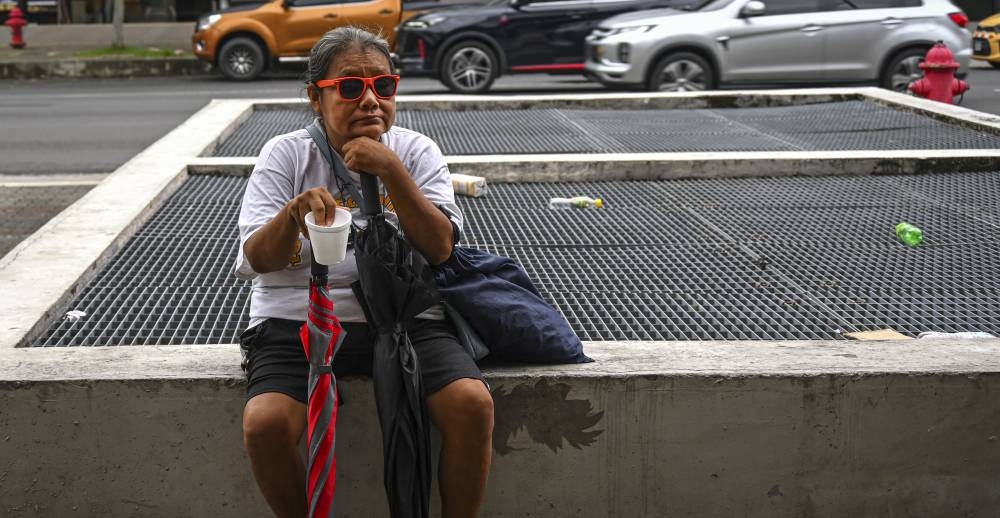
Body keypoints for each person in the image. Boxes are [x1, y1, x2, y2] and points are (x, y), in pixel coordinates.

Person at [234, 26, 494, 518]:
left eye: (384, 86)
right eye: (350, 87)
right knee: (265, 423)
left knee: (471, 405)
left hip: (402, 316)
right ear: (316, 97)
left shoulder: (416, 152)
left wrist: (392, 170)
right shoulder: (286, 154)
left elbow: (439, 249)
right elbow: (256, 261)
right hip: (297, 321)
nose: (371, 100)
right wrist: (291, 217)